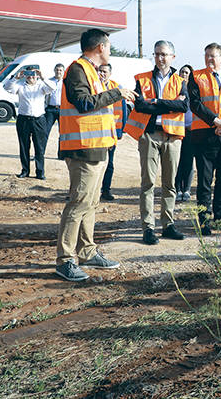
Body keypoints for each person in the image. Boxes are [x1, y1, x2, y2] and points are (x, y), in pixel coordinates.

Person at [55, 28, 137, 282]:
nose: (110, 50)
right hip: (82, 149)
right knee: (79, 203)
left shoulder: (92, 71)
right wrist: (117, 93)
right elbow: (84, 103)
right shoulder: (78, 69)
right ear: (100, 47)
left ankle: (87, 251)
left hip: (98, 148)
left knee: (91, 203)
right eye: (109, 46)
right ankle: (65, 259)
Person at [125, 41, 188, 245]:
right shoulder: (143, 79)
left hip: (173, 136)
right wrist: (170, 105)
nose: (161, 58)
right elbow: (141, 105)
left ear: (173, 57)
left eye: (165, 54)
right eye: (158, 54)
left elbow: (184, 105)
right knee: (148, 183)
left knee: (170, 184)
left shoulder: (180, 81)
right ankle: (148, 228)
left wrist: (158, 102)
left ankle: (168, 225)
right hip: (150, 135)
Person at [188, 43, 221, 232]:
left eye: (213, 56)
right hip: (204, 136)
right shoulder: (196, 77)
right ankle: (204, 220)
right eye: (207, 56)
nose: (209, 59)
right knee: (204, 181)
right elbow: (195, 104)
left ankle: (220, 217)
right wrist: (215, 121)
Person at [3, 65, 56, 179]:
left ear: (36, 75)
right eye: (28, 74)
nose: (31, 77)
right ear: (25, 75)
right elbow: (7, 87)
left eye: (33, 74)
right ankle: (25, 170)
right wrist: (16, 78)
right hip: (23, 120)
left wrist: (42, 77)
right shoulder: (20, 86)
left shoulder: (42, 86)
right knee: (24, 146)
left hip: (39, 120)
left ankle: (40, 171)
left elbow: (53, 88)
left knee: (39, 147)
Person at [97, 63, 128, 202]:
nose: (101, 74)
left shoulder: (117, 88)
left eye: (104, 72)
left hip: (111, 131)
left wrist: (120, 131)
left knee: (109, 162)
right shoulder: (93, 86)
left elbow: (123, 110)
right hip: (95, 132)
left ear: (110, 73)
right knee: (95, 163)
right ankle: (94, 190)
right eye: (100, 71)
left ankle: (106, 190)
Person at [174, 64, 196, 202]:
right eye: (182, 72)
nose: (184, 74)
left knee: (188, 161)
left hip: (190, 130)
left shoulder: (194, 90)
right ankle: (177, 189)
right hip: (175, 129)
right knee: (176, 161)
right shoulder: (174, 88)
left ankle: (186, 189)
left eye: (187, 72)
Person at [45, 63, 65, 143]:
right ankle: (40, 155)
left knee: (63, 134)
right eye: (57, 70)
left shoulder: (66, 82)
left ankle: (61, 155)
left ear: (63, 71)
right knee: (45, 132)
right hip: (50, 109)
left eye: (60, 70)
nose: (58, 72)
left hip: (62, 110)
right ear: (54, 70)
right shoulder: (49, 81)